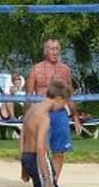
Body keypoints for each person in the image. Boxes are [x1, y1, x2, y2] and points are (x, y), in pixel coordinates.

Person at [21, 79, 71, 187]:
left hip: (28, 157)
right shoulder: (44, 117)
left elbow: (24, 138)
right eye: (63, 102)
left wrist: (23, 168)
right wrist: (48, 178)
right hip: (37, 159)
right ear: (57, 98)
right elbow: (41, 148)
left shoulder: (32, 110)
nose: (62, 107)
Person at [26, 39, 81, 178]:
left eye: (57, 49)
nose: (54, 52)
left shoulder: (65, 70)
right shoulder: (36, 69)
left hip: (59, 113)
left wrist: (75, 117)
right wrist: (26, 119)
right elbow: (28, 96)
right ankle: (40, 182)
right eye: (51, 49)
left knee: (59, 151)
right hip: (41, 113)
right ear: (45, 50)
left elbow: (69, 95)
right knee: (40, 149)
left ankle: (54, 182)